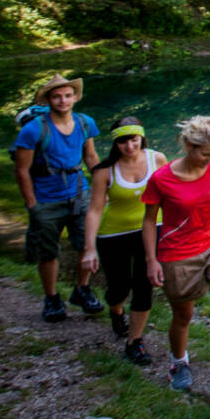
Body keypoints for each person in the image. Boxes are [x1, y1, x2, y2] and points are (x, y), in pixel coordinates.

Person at [142, 115, 210, 393]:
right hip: (177, 251)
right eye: (206, 153)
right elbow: (148, 220)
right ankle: (178, 363)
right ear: (188, 145)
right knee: (183, 315)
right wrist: (151, 259)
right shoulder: (162, 178)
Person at [12, 73, 105, 323]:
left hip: (79, 193)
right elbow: (22, 170)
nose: (62, 101)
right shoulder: (34, 130)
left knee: (86, 245)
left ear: (75, 98)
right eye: (57, 96)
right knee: (48, 252)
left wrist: (101, 188)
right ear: (49, 100)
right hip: (46, 199)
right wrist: (32, 204)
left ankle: (82, 289)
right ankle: (52, 297)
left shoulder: (85, 123)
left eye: (67, 95)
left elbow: (91, 157)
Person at [80, 117, 167, 366]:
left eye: (134, 140)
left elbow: (171, 193)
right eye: (123, 142)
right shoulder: (105, 171)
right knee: (119, 289)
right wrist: (89, 249)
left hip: (150, 230)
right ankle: (116, 311)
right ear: (115, 143)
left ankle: (134, 342)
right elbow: (95, 209)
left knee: (144, 285)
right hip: (113, 235)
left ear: (142, 138)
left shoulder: (157, 159)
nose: (130, 146)